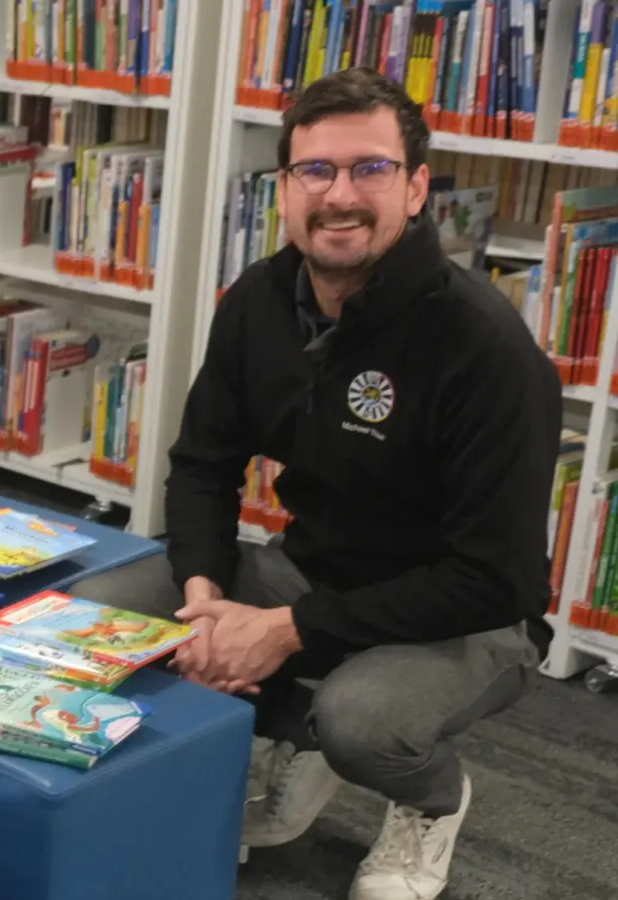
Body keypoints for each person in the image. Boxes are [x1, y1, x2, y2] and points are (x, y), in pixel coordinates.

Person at [66, 68, 560, 900]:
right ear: (286, 188)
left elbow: (495, 579)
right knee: (94, 618)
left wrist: (287, 630)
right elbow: (204, 464)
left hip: (468, 617)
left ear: (414, 189)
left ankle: (430, 800)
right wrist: (204, 597)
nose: (340, 195)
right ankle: (285, 742)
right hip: (313, 570)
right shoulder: (258, 300)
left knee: (361, 724)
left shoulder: (487, 350)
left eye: (369, 168)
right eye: (315, 171)